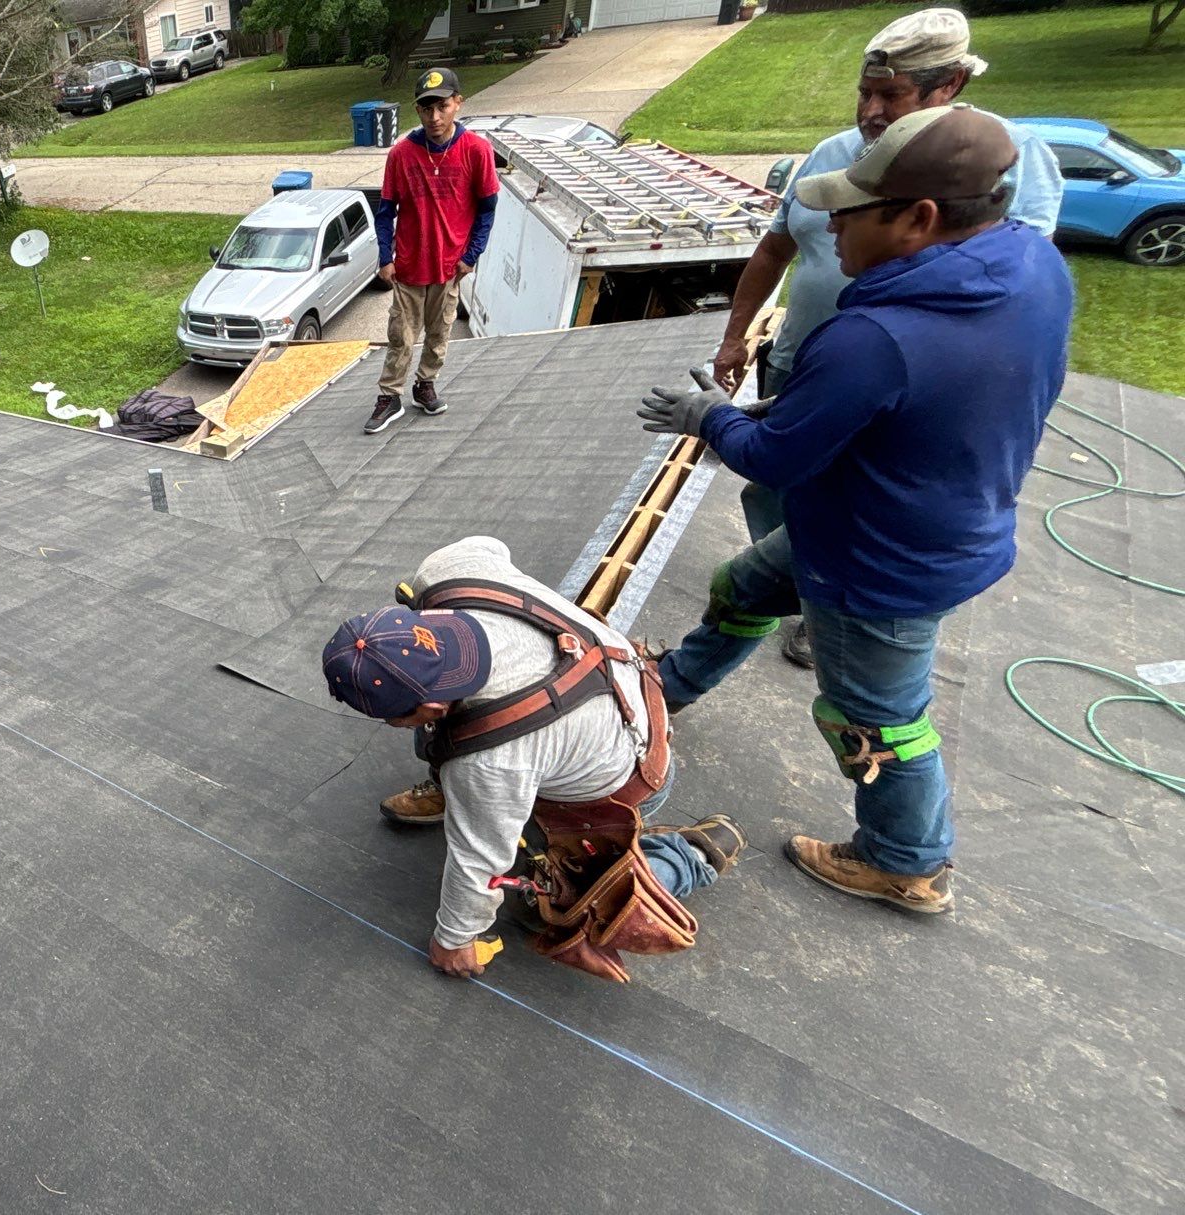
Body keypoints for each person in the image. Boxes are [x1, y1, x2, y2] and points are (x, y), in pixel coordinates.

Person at [639, 105, 1072, 915]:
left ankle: (906, 859)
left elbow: (773, 460)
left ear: (920, 218)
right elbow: (921, 403)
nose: (828, 225)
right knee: (744, 585)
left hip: (875, 562)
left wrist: (711, 418)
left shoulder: (875, 337)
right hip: (920, 515)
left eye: (851, 209)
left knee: (876, 720)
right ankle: (669, 687)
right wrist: (807, 411)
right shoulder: (1033, 268)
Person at [705, 7, 1062, 669]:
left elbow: (1000, 295)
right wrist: (736, 342)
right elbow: (774, 249)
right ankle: (786, 596)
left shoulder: (999, 162)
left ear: (947, 85)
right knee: (779, 500)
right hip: (806, 368)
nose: (870, 111)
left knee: (857, 512)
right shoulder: (835, 154)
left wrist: (709, 421)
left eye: (889, 95)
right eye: (864, 93)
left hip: (896, 391)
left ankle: (837, 609)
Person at [323, 536, 745, 980]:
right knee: (455, 744)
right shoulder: (449, 570)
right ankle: (467, 796)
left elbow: (480, 862)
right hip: (628, 686)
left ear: (428, 708)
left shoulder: (490, 763)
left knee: (563, 907)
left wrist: (454, 940)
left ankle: (688, 857)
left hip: (627, 779)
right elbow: (491, 545)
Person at [365, 67, 498, 436]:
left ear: (458, 102)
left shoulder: (477, 151)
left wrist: (472, 255)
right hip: (408, 266)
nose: (435, 117)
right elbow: (385, 211)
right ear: (418, 110)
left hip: (449, 267)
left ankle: (425, 385)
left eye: (442, 106)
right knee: (400, 337)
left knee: (440, 334)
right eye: (426, 109)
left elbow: (487, 210)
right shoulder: (402, 155)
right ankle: (389, 396)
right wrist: (385, 257)